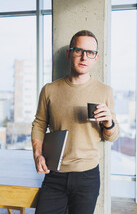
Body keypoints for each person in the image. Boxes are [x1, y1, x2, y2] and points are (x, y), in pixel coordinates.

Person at [31, 30, 120, 214]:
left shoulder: (105, 91)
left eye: (90, 52)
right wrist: (37, 154)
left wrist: (108, 123)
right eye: (78, 50)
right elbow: (39, 124)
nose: (84, 57)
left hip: (87, 176)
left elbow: (111, 137)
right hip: (54, 174)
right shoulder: (49, 90)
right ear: (69, 53)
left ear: (95, 58)